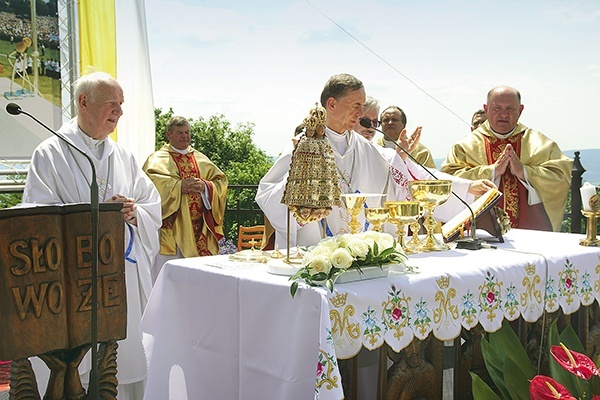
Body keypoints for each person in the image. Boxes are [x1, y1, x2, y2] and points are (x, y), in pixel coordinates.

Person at [22, 71, 162, 400]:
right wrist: (93, 214)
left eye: (122, 104)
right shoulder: (50, 153)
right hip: (74, 279)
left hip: (119, 277)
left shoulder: (124, 156)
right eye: (112, 103)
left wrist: (132, 213)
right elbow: (37, 219)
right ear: (84, 102)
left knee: (121, 363)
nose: (120, 112)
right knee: (74, 368)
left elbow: (149, 203)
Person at [256, 73, 495, 248]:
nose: (360, 114)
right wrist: (302, 174)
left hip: (361, 254)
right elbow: (267, 195)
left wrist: (464, 187)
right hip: (317, 256)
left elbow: (413, 175)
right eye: (356, 106)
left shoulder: (366, 148)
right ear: (332, 104)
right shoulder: (304, 145)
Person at [440, 86, 572, 231]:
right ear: (486, 108)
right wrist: (492, 171)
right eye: (497, 108)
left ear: (520, 110)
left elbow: (561, 177)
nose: (504, 114)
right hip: (480, 231)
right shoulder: (465, 146)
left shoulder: (539, 143)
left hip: (529, 230)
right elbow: (448, 181)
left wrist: (524, 172)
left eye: (510, 109)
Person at [143, 116, 228, 282]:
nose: (185, 136)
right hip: (173, 229)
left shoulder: (200, 158)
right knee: (170, 277)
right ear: (169, 134)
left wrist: (206, 187)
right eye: (180, 133)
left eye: (187, 132)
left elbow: (220, 182)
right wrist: (179, 187)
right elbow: (150, 188)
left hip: (199, 229)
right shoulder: (157, 160)